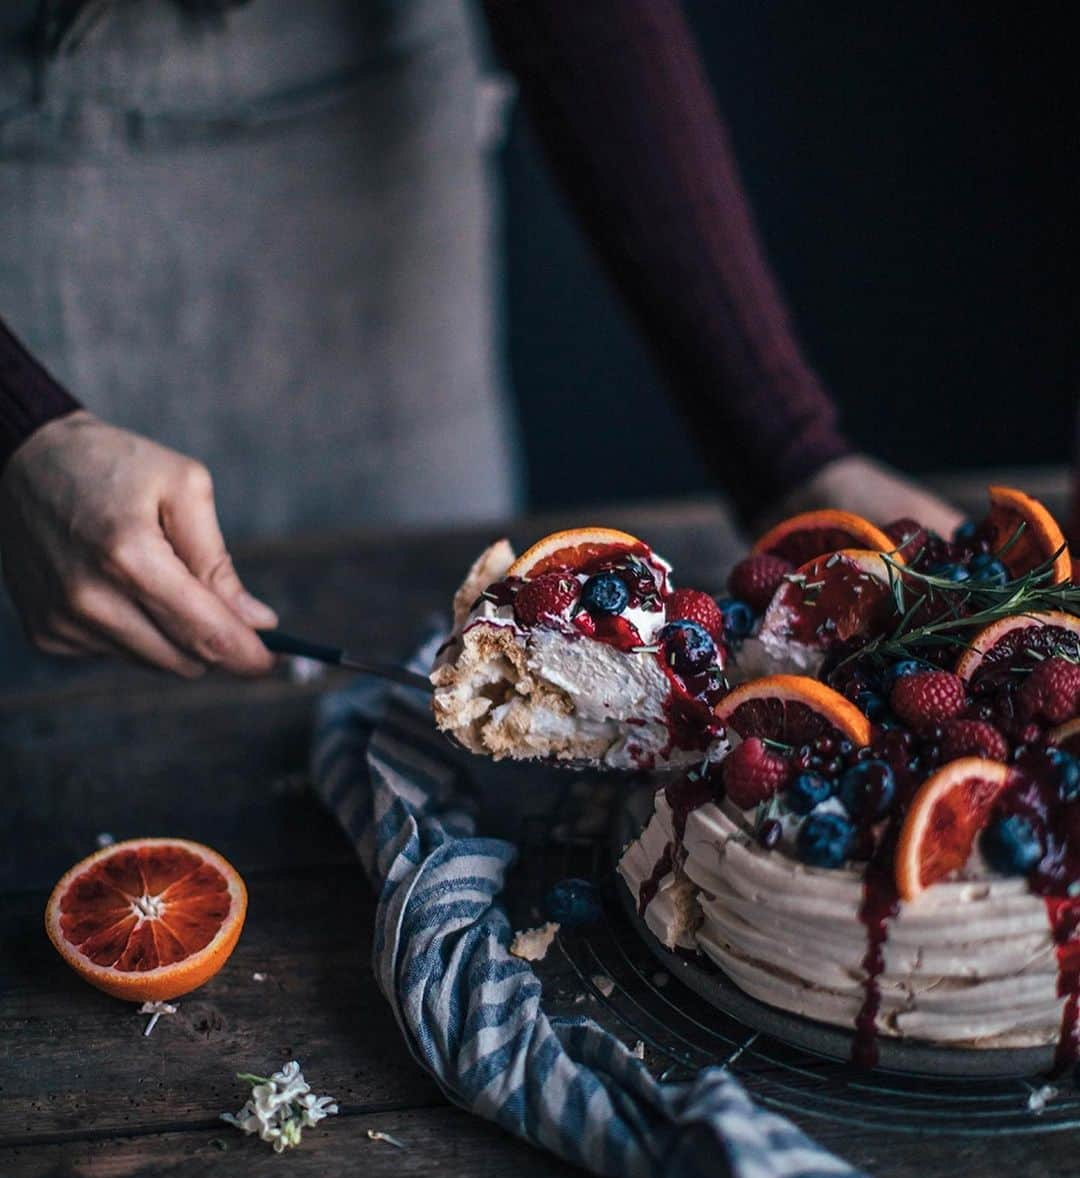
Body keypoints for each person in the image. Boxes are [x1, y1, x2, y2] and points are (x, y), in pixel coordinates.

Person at [0, 0, 962, 680]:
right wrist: (17, 430)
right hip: (31, 171)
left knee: (448, 650)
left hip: (359, 126)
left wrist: (791, 453)